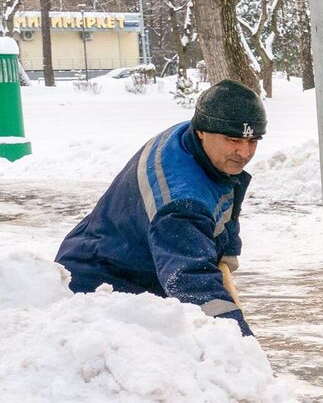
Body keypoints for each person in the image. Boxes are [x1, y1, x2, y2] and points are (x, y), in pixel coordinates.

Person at [55, 79, 265, 336]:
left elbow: (222, 192)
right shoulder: (180, 202)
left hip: (123, 258)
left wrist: (227, 247)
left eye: (253, 141)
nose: (244, 152)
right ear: (202, 130)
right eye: (233, 140)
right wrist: (239, 340)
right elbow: (193, 284)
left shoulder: (189, 141)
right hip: (104, 291)